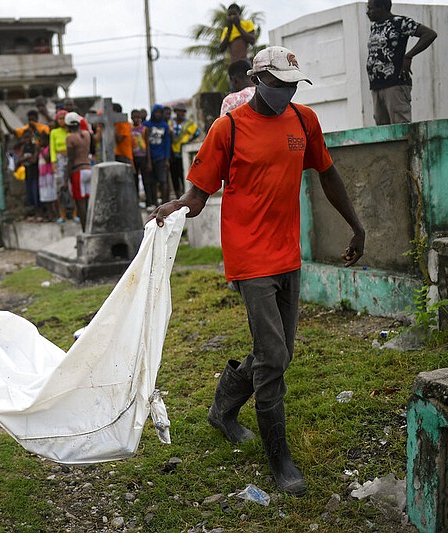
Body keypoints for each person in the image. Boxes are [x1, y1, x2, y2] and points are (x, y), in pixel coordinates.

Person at [148, 47, 365, 496]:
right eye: (278, 85)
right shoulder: (227, 129)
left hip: (288, 255)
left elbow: (327, 173)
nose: (286, 93)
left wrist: (357, 225)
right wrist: (174, 206)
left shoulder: (304, 121)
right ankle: (279, 459)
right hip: (249, 259)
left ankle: (223, 406)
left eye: (292, 86)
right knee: (272, 357)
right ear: (257, 79)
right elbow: (198, 196)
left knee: (279, 353)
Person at [366, 0, 437, 125]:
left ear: (381, 7)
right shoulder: (375, 26)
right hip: (377, 86)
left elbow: (429, 34)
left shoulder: (400, 22)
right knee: (382, 132)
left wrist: (408, 56)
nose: (368, 12)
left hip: (395, 84)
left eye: (370, 8)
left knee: (400, 127)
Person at [64, 111, 92, 231]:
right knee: (88, 202)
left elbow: (71, 159)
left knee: (80, 204)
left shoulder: (70, 138)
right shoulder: (86, 134)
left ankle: (85, 231)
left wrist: (66, 178)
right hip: (88, 169)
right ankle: (92, 228)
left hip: (78, 171)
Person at [169, 103, 199, 199]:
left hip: (183, 153)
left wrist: (188, 141)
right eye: (178, 111)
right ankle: (178, 195)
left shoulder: (188, 123)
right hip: (173, 152)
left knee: (184, 174)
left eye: (182, 112)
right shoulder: (170, 122)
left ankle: (185, 194)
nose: (180, 113)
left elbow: (197, 132)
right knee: (174, 175)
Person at [144, 104, 171, 205]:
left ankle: (164, 202)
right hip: (150, 156)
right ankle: (154, 203)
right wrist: (148, 161)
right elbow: (145, 143)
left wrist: (167, 159)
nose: (158, 114)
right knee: (152, 181)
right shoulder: (147, 125)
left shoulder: (164, 126)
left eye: (160, 112)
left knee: (163, 180)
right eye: (156, 112)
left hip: (161, 157)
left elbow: (167, 143)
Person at [49, 110, 70, 223]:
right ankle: (62, 214)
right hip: (59, 159)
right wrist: (53, 163)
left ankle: (75, 213)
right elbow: (52, 148)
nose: (62, 121)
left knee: (72, 186)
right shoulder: (54, 132)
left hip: (70, 159)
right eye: (60, 118)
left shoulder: (70, 131)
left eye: (64, 118)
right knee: (60, 188)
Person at [19, 128, 41, 220]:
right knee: (30, 195)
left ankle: (39, 213)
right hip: (28, 174)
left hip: (36, 173)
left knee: (36, 194)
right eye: (25, 138)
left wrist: (25, 159)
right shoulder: (24, 147)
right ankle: (32, 214)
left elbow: (34, 159)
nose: (26, 140)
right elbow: (19, 159)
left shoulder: (35, 146)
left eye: (28, 137)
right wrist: (27, 159)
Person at [37, 132, 59, 222]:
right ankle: (50, 214)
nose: (40, 142)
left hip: (49, 174)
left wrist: (41, 150)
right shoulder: (41, 149)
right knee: (46, 196)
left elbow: (48, 159)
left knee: (53, 195)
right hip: (43, 175)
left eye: (41, 140)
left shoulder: (49, 148)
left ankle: (56, 214)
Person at [130, 109, 149, 204]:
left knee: (146, 179)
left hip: (143, 156)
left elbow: (147, 144)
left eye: (138, 117)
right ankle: (136, 201)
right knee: (135, 180)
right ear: (131, 118)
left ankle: (149, 201)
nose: (136, 119)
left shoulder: (144, 129)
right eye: (134, 117)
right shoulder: (130, 130)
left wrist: (149, 161)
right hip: (134, 157)